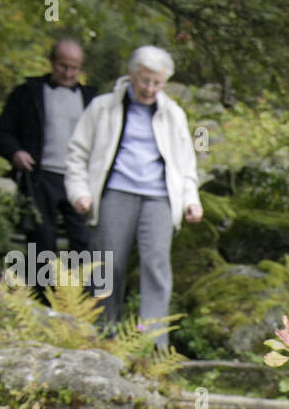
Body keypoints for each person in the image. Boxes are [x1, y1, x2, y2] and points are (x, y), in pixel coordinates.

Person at [64, 45, 202, 349]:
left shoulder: (173, 115)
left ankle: (152, 343)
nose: (150, 89)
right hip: (115, 193)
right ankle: (103, 336)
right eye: (145, 81)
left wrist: (192, 200)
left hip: (159, 198)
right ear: (132, 75)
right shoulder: (102, 108)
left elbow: (185, 164)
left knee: (156, 266)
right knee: (106, 265)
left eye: (157, 83)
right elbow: (77, 154)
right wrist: (80, 192)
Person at [0, 38, 98, 291]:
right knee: (41, 241)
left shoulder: (93, 100)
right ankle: (41, 302)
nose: (69, 73)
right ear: (51, 62)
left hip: (80, 179)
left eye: (75, 68)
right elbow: (1, 132)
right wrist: (15, 152)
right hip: (40, 177)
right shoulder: (27, 94)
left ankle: (82, 300)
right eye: (63, 66)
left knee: (83, 239)